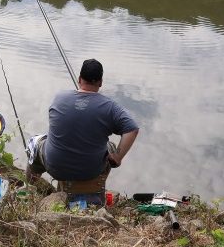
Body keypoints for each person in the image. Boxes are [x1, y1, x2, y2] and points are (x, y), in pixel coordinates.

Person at [27, 58, 140, 192]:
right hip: (90, 172)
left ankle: (30, 186)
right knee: (111, 147)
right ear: (100, 82)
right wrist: (118, 157)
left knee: (36, 142)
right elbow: (132, 129)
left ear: (79, 79)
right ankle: (95, 187)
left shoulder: (59, 98)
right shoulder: (110, 107)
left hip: (54, 167)